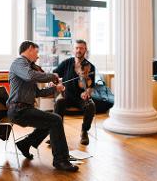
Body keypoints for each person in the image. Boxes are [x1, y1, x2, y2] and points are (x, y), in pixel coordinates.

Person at [7, 40, 79, 172]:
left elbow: (38, 92)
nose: (38, 56)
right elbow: (29, 76)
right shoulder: (19, 63)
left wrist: (56, 88)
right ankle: (61, 160)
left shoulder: (27, 67)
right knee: (56, 119)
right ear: (29, 49)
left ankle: (25, 144)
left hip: (24, 109)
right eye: (36, 52)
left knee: (50, 121)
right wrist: (51, 76)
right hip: (18, 110)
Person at [53, 39, 95, 145]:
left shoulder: (90, 67)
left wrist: (87, 92)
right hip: (67, 96)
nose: (78, 50)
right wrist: (57, 82)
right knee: (59, 103)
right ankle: (57, 134)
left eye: (81, 48)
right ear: (73, 50)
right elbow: (55, 74)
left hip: (81, 99)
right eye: (76, 48)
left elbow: (91, 86)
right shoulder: (67, 63)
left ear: (85, 50)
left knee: (91, 105)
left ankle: (84, 131)